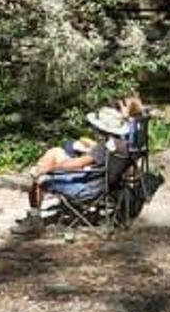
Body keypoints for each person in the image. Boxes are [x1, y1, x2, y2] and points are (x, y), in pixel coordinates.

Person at [9, 98, 144, 236]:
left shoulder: (105, 147)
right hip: (101, 181)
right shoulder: (123, 145)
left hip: (88, 188)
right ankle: (33, 180)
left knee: (41, 178)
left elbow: (78, 164)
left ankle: (34, 218)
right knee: (55, 152)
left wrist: (49, 169)